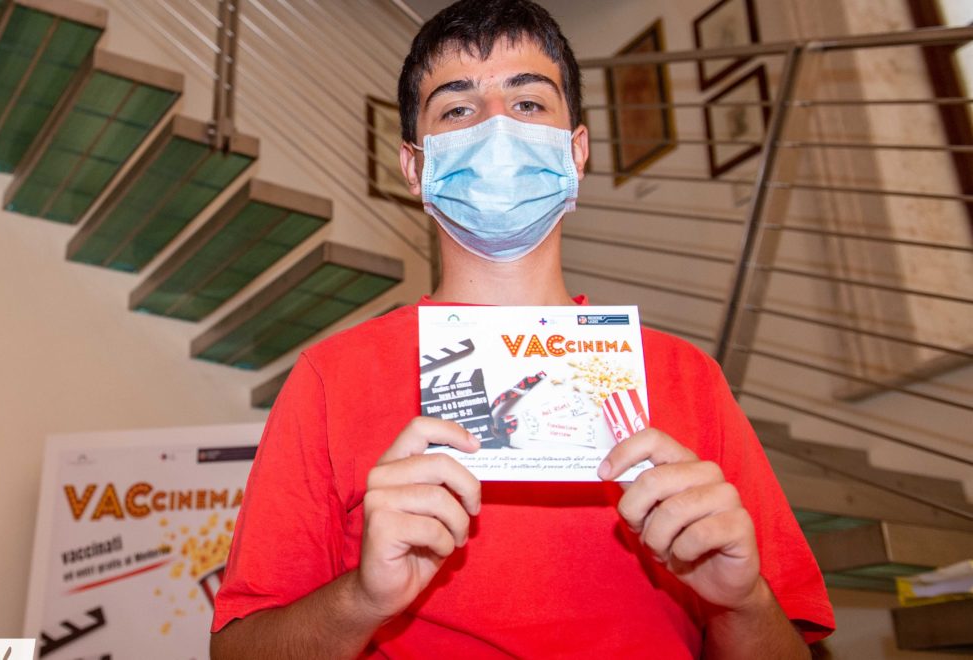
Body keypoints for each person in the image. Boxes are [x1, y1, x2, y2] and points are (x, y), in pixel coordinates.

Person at [210, 1, 834, 656]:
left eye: (528, 103)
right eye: (458, 109)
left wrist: (741, 602)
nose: (497, 127)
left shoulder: (690, 381)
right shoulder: (329, 380)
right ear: (415, 168)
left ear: (578, 151)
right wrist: (363, 599)